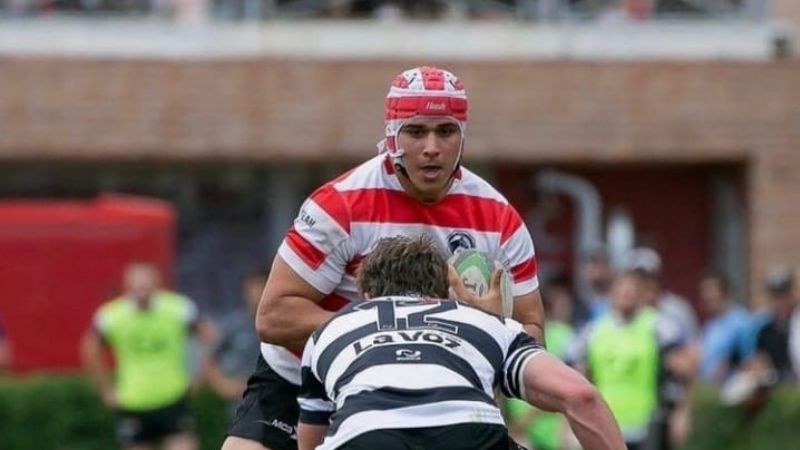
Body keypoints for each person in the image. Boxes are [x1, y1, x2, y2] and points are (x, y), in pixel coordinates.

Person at [222, 66, 545, 450]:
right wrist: (380, 335)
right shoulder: (340, 205)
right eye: (415, 131)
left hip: (431, 391)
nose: (431, 147)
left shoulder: (499, 218)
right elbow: (272, 316)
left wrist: (489, 328)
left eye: (445, 131)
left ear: (463, 137)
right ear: (392, 135)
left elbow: (532, 330)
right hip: (300, 378)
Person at [297, 235, 624, 450]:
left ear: (366, 296)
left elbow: (309, 440)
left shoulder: (330, 330)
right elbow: (581, 396)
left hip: (365, 437)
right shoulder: (485, 323)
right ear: (443, 292)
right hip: (469, 434)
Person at [81, 261, 214, 450]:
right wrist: (105, 389)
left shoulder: (178, 308)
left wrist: (198, 373)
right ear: (127, 287)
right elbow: (90, 348)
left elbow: (206, 334)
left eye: (146, 286)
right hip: (133, 400)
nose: (142, 292)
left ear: (156, 284)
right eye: (137, 287)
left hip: (173, 395)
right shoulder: (111, 315)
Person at [567, 271, 693, 450]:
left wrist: (681, 412)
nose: (626, 296)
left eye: (631, 291)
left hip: (647, 424)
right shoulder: (594, 331)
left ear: (641, 295)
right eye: (621, 291)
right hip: (606, 422)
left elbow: (683, 369)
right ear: (611, 295)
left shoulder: (659, 326)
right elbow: (576, 375)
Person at [506, 274, 577, 450]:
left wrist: (525, 421)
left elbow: (568, 387)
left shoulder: (565, 335)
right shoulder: (506, 334)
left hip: (552, 434)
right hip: (522, 435)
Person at [204, 271, 265, 417]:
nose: (257, 294)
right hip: (240, 406)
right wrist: (223, 385)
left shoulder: (283, 325)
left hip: (278, 402)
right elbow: (209, 359)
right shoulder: (235, 325)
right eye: (252, 288)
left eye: (261, 287)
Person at [696, 272, 757, 382]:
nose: (707, 296)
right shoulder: (710, 325)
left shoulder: (741, 322)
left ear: (724, 293)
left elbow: (750, 361)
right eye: (704, 292)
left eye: (711, 292)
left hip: (732, 392)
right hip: (710, 390)